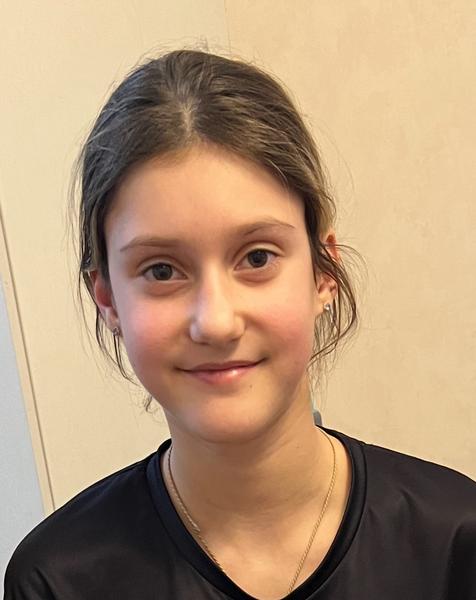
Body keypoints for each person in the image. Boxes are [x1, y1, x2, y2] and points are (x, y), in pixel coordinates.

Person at [4, 49, 475, 600]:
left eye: (256, 257)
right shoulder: (57, 580)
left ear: (323, 273)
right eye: (161, 270)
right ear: (107, 299)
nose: (217, 322)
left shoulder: (455, 539)